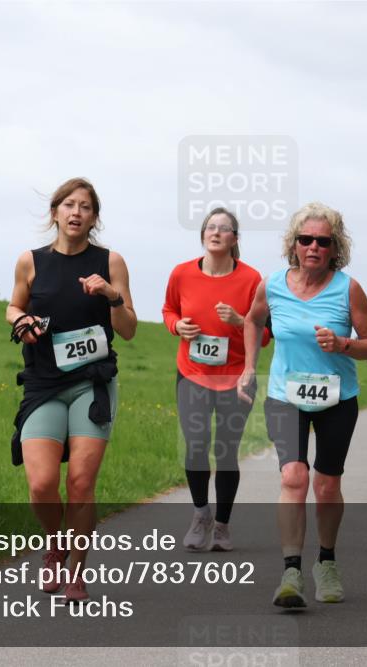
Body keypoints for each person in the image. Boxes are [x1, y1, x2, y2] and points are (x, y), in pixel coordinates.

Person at [237, 202, 367, 608]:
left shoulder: (348, 289)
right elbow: (252, 320)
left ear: (335, 248)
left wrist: (344, 344)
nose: (313, 246)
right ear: (294, 245)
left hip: (338, 398)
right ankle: (291, 571)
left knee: (326, 483)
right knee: (294, 479)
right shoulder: (273, 285)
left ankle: (327, 562)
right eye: (306, 239)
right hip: (286, 396)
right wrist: (249, 366)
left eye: (323, 241)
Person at [7, 177, 137, 603]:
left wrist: (111, 296)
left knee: (80, 483)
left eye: (85, 207)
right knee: (42, 483)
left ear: (94, 218)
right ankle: (55, 543)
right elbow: (14, 305)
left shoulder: (110, 261)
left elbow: (130, 329)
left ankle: (77, 571)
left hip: (91, 383)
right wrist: (20, 322)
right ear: (55, 212)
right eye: (69, 205)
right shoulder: (30, 261)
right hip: (43, 383)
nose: (76, 212)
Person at [163, 207, 270, 552]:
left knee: (226, 452)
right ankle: (200, 514)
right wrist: (177, 326)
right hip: (192, 373)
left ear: (235, 239)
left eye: (225, 229)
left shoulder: (253, 280)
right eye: (211, 227)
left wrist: (241, 321)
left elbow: (267, 333)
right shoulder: (181, 273)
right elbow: (169, 310)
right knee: (196, 446)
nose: (216, 232)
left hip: (236, 376)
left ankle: (222, 525)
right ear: (203, 235)